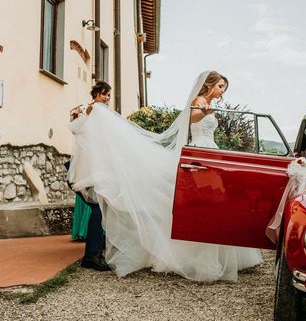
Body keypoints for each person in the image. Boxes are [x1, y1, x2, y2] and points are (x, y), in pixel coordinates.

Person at [68, 71, 261, 282]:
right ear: (210, 85)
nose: (222, 91)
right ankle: (196, 255)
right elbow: (191, 118)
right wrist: (205, 112)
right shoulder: (199, 101)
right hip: (199, 151)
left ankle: (217, 253)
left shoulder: (209, 103)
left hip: (211, 150)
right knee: (203, 203)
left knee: (214, 203)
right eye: (221, 86)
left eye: (224, 87)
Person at [68, 81, 113, 271]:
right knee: (98, 209)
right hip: (91, 167)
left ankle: (96, 252)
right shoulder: (90, 109)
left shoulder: (99, 112)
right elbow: (75, 129)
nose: (107, 98)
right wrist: (80, 115)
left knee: (102, 208)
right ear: (95, 94)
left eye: (109, 95)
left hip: (98, 165)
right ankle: (92, 255)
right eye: (104, 94)